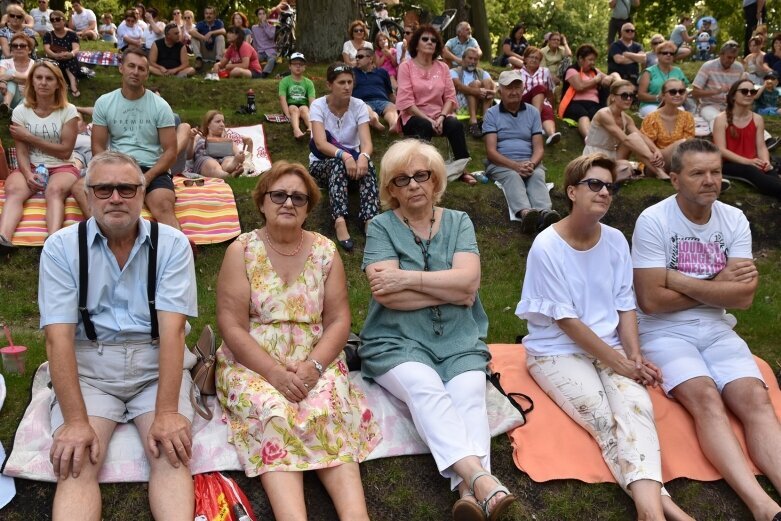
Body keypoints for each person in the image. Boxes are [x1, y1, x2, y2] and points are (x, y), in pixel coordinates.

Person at [517, 153, 694, 521]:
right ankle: (661, 510)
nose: (604, 192)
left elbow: (624, 303)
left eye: (609, 187)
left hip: (611, 347)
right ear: (570, 191)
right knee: (604, 419)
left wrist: (634, 356)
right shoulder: (547, 246)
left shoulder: (614, 240)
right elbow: (566, 320)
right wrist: (621, 365)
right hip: (555, 352)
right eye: (594, 184)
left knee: (636, 408)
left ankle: (652, 513)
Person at [360, 138, 517, 521]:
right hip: (395, 340)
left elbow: (470, 284)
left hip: (459, 340)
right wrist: (450, 289)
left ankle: (468, 494)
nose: (413, 184)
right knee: (425, 388)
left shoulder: (459, 221)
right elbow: (388, 296)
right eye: (401, 179)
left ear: (435, 180)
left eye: (421, 175)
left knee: (467, 395)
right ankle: (482, 479)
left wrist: (408, 279)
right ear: (390, 189)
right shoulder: (380, 226)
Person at [215, 160, 380, 521]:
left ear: (308, 208)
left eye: (299, 198)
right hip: (253, 360)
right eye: (279, 195)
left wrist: (315, 367)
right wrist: (274, 373)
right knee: (273, 410)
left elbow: (338, 320)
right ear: (262, 202)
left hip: (313, 355)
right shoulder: (241, 250)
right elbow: (231, 325)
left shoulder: (325, 252)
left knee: (328, 407)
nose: (288, 203)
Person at [39, 150, 197, 521]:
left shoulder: (172, 244)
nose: (115, 198)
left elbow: (173, 332)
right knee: (77, 461)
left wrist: (168, 412)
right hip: (90, 368)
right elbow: (57, 338)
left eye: (126, 189)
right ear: (89, 194)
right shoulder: (60, 248)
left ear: (142, 194)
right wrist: (76, 422)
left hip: (157, 361)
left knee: (170, 454)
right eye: (104, 188)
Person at [632, 138, 781, 521]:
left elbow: (744, 297)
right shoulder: (654, 221)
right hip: (662, 331)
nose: (710, 180)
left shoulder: (733, 219)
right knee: (706, 399)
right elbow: (650, 301)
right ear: (674, 178)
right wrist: (718, 284)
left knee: (755, 400)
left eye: (715, 172)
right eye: (698, 173)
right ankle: (762, 506)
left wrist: (676, 280)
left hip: (717, 328)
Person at [86, 49, 183, 235]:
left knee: (163, 204)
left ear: (147, 74)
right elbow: (97, 146)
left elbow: (171, 151)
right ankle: (99, 235)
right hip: (117, 166)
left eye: (141, 68)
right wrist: (108, 170)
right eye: (131, 66)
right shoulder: (104, 102)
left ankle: (180, 247)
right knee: (82, 189)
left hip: (151, 168)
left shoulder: (160, 106)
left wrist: (147, 177)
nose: (136, 72)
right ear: (121, 68)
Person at [0, 60, 78, 249]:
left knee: (54, 191)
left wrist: (29, 137)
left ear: (58, 83)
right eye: (39, 77)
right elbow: (22, 151)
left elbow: (65, 150)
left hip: (63, 165)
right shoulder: (20, 111)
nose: (43, 82)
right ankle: (3, 238)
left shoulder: (68, 111)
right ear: (32, 82)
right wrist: (27, 174)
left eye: (49, 78)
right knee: (14, 191)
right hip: (31, 165)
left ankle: (52, 242)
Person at [308, 62, 379, 252]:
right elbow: (321, 143)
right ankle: (339, 221)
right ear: (330, 85)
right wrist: (345, 155)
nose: (347, 86)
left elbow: (367, 142)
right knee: (338, 165)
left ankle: (370, 220)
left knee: (369, 164)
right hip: (323, 163)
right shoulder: (318, 105)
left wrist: (363, 155)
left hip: (353, 163)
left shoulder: (359, 105)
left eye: (350, 82)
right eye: (341, 83)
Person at [483, 70, 560, 234]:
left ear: (523, 89)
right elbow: (491, 151)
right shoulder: (491, 114)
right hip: (502, 163)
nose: (514, 91)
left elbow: (539, 147)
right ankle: (526, 214)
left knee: (537, 175)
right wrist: (515, 166)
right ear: (500, 91)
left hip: (528, 160)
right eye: (509, 87)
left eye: (517, 87)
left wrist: (531, 163)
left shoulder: (532, 112)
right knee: (512, 176)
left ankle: (545, 213)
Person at [396, 25, 475, 185]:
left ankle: (460, 170)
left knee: (455, 124)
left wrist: (441, 117)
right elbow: (406, 102)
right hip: (414, 116)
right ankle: (420, 170)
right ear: (416, 44)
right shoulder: (406, 67)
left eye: (433, 40)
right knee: (424, 125)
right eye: (425, 39)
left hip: (440, 115)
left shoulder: (443, 67)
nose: (430, 42)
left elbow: (450, 97)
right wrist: (430, 120)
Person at [583, 80, 668, 180]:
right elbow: (625, 140)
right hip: (594, 155)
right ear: (613, 97)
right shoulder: (604, 114)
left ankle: (659, 172)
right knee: (626, 163)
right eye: (624, 95)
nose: (628, 99)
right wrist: (651, 156)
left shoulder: (626, 118)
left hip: (612, 154)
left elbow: (641, 136)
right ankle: (658, 171)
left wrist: (656, 150)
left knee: (635, 137)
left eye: (631, 95)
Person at [712, 79, 781, 199]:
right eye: (744, 91)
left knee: (770, 172)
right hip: (728, 164)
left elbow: (761, 146)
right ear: (733, 96)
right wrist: (749, 161)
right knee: (751, 172)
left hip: (753, 161)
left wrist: (766, 162)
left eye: (752, 91)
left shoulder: (757, 118)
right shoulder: (720, 119)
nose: (749, 94)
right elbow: (721, 150)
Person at [559, 44, 620, 139]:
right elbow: (579, 86)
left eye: (594, 60)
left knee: (601, 115)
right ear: (580, 58)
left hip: (594, 104)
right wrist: (595, 81)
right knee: (583, 115)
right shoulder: (572, 70)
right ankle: (588, 139)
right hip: (575, 104)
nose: (593, 62)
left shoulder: (595, 71)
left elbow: (611, 79)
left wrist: (611, 77)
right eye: (590, 59)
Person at [640, 78, 696, 173]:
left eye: (681, 91)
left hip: (681, 161)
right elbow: (645, 147)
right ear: (663, 95)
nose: (677, 95)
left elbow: (689, 145)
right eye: (672, 92)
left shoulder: (687, 117)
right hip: (655, 163)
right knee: (681, 143)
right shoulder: (651, 118)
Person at [691, 41, 745, 133]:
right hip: (709, 105)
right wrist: (717, 91)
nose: (731, 60)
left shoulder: (739, 68)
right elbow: (695, 92)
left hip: (730, 105)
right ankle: (721, 143)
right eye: (729, 57)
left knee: (746, 118)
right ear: (721, 54)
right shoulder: (708, 66)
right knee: (717, 119)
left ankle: (766, 139)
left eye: (734, 58)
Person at [450, 47, 495, 139]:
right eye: (470, 58)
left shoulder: (482, 72)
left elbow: (492, 85)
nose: (473, 61)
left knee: (487, 81)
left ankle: (485, 120)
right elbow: (459, 86)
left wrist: (493, 91)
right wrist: (477, 91)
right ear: (463, 59)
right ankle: (473, 122)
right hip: (461, 102)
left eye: (475, 59)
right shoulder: (454, 71)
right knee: (476, 83)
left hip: (481, 102)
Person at [637, 40, 690, 117]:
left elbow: (685, 91)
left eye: (671, 53)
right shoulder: (648, 72)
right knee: (660, 116)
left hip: (674, 104)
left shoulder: (678, 71)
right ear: (657, 55)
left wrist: (680, 99)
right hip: (651, 105)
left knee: (682, 116)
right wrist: (658, 98)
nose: (668, 55)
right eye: (665, 53)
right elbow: (641, 95)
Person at [354, 46, 399, 133]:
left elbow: (389, 93)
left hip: (382, 100)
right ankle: (374, 121)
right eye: (356, 57)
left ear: (370, 59)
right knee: (366, 109)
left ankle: (394, 124)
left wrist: (399, 104)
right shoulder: (352, 73)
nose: (357, 59)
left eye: (360, 57)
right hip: (363, 101)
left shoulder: (382, 72)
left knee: (391, 108)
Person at [520, 46, 560, 144]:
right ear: (525, 59)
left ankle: (551, 134)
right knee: (540, 88)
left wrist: (553, 108)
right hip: (524, 101)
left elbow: (550, 92)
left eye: (537, 58)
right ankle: (536, 122)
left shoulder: (545, 72)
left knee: (547, 109)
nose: (534, 60)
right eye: (531, 57)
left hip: (541, 102)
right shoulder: (518, 73)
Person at [192, 110, 249, 178]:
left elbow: (238, 153)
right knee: (211, 164)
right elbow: (189, 155)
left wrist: (239, 157)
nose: (222, 124)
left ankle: (231, 167)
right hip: (205, 160)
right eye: (218, 122)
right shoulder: (199, 137)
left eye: (223, 122)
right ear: (208, 125)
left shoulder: (227, 140)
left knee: (229, 160)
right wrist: (191, 138)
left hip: (224, 159)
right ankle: (228, 175)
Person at [43, 10, 81, 98]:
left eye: (57, 19)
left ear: (64, 20)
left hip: (69, 60)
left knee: (70, 59)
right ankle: (63, 83)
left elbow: (76, 48)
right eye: (52, 20)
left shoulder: (72, 34)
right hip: (54, 59)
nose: (55, 21)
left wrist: (71, 54)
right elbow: (46, 49)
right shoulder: (48, 35)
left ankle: (73, 85)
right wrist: (55, 55)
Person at [278, 52, 315, 140]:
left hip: (304, 105)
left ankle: (311, 128)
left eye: (301, 64)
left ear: (304, 67)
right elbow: (282, 98)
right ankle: (296, 130)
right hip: (291, 104)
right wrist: (287, 114)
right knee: (294, 109)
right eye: (295, 64)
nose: (298, 66)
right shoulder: (284, 81)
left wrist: (312, 112)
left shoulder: (309, 82)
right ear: (290, 66)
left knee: (304, 109)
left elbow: (312, 100)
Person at [0, 33, 34, 114]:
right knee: (10, 72)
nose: (18, 48)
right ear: (12, 49)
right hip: (4, 94)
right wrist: (2, 81)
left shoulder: (35, 65)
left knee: (31, 97)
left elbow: (34, 81)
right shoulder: (4, 62)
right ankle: (6, 104)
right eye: (15, 46)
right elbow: (1, 75)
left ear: (29, 50)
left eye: (22, 46)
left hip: (23, 98)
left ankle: (14, 113)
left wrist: (8, 78)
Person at [190, 6, 226, 70]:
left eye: (210, 14)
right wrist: (204, 38)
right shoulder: (201, 23)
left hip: (215, 53)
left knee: (221, 37)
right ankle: (199, 59)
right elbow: (191, 31)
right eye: (206, 13)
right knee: (193, 38)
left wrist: (211, 33)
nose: (208, 15)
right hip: (204, 52)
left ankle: (218, 62)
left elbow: (224, 31)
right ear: (204, 15)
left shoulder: (218, 22)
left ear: (214, 15)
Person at [250, 7, 277, 78]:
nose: (262, 16)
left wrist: (264, 25)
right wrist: (254, 53)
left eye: (263, 14)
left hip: (270, 51)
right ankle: (253, 73)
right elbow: (254, 42)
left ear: (266, 15)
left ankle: (264, 74)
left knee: (272, 60)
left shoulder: (272, 27)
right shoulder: (254, 28)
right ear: (257, 17)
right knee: (254, 59)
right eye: (260, 14)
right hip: (260, 51)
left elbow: (271, 36)